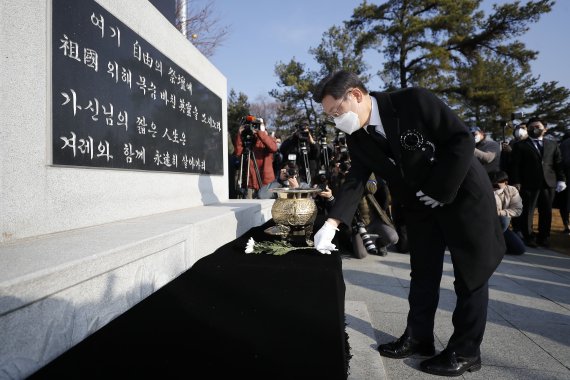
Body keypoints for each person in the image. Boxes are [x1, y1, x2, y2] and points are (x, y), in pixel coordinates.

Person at [312, 71, 505, 377]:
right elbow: (356, 179)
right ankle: (418, 336)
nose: (337, 120)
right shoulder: (357, 137)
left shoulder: (413, 101)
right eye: (330, 116)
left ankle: (466, 350)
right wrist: (333, 223)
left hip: (461, 193)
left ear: (357, 95)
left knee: (471, 274)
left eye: (338, 111)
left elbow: (460, 139)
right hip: (419, 207)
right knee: (423, 272)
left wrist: (441, 191)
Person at [509, 117, 567, 248]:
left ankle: (544, 237)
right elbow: (515, 165)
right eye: (531, 127)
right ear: (528, 129)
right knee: (528, 211)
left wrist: (561, 179)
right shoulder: (520, 145)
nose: (535, 129)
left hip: (548, 183)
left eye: (538, 127)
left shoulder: (552, 144)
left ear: (544, 129)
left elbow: (558, 163)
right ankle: (528, 236)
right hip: (528, 183)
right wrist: (516, 181)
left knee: (546, 211)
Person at [233, 118, 278, 199]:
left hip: (265, 182)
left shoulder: (268, 138)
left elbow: (273, 148)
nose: (254, 127)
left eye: (257, 125)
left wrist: (260, 133)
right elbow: (238, 153)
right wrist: (240, 135)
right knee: (248, 207)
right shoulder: (249, 140)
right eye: (252, 125)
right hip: (250, 182)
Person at [489, 170, 526, 255]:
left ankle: (494, 246)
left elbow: (517, 210)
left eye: (496, 185)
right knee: (504, 220)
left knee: (519, 249)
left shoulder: (512, 190)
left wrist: (499, 213)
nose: (493, 188)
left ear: (505, 183)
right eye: (491, 185)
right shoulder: (484, 189)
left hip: (501, 227)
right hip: (484, 224)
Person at [558, 131, 570, 234]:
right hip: (566, 176)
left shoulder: (563, 143)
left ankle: (567, 226)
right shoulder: (566, 143)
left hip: (564, 178)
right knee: (565, 203)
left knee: (565, 204)